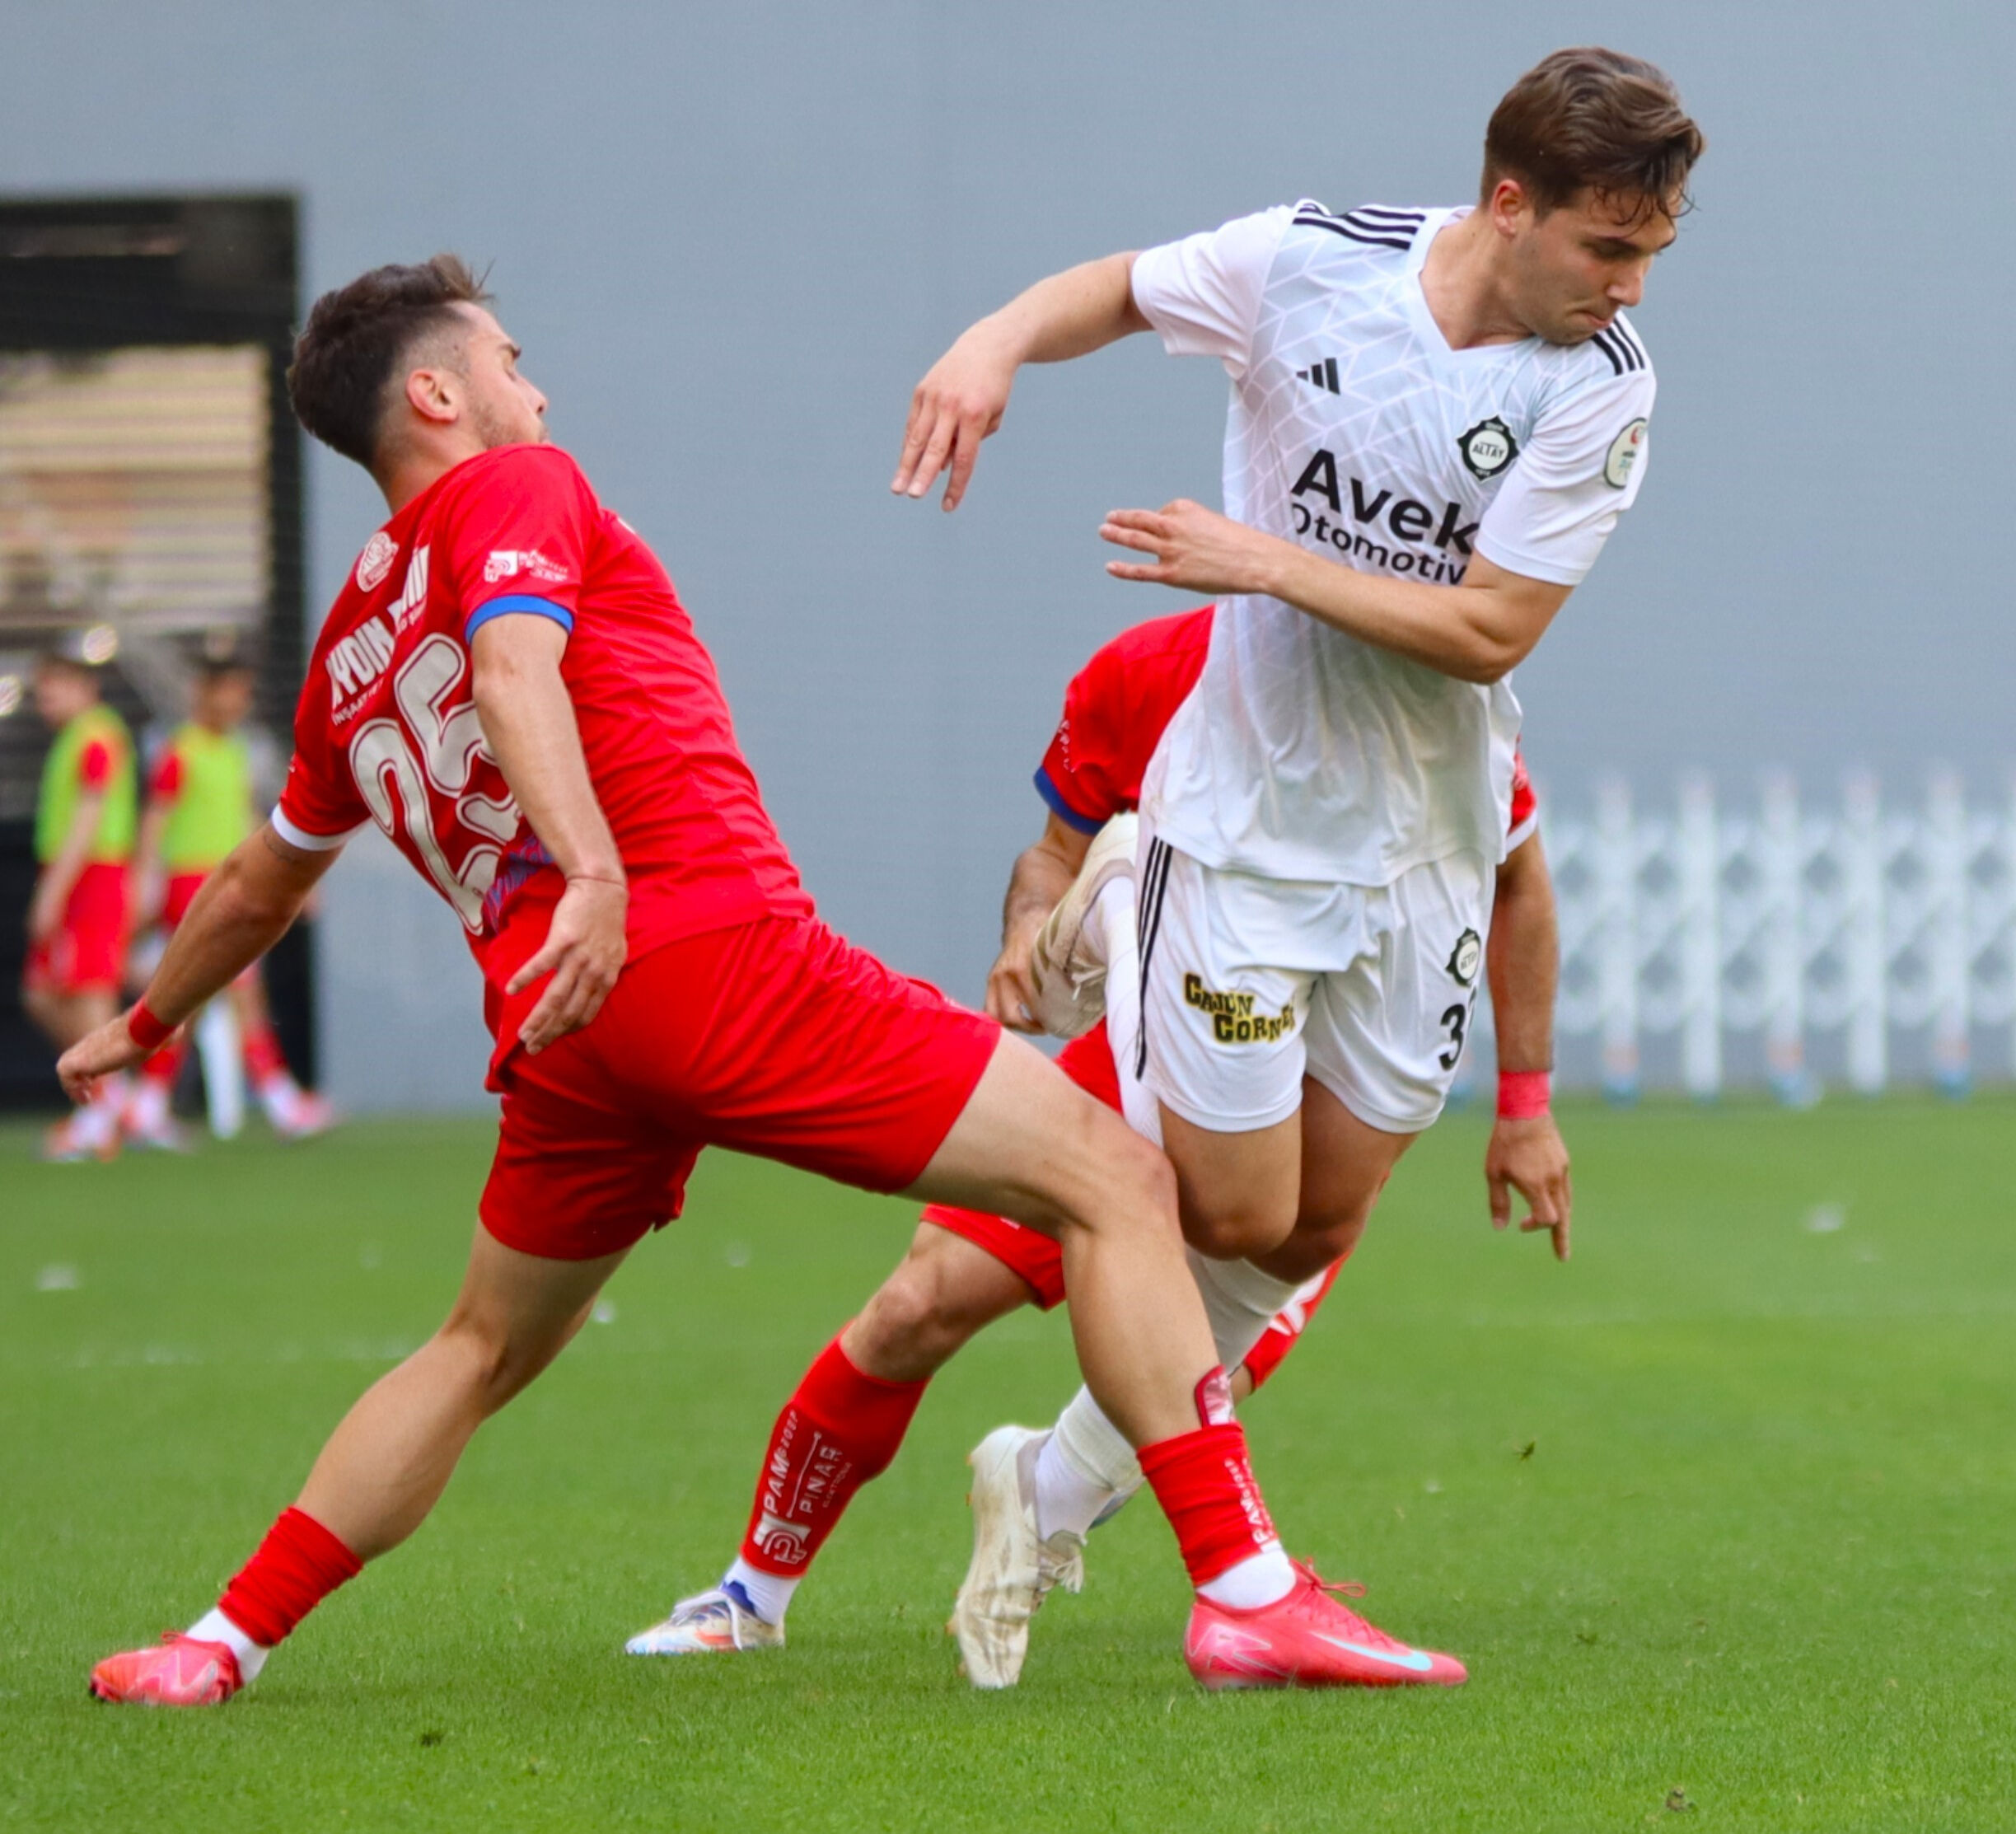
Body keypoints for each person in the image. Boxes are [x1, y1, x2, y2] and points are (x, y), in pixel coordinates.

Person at [73, 255, 1452, 1707]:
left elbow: (262, 876)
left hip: (558, 1029)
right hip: (700, 954)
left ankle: (218, 1642)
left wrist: (148, 1020)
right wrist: (598, 875)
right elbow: (511, 671)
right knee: (1115, 1181)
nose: (532, 389)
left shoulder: (348, 644)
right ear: (437, 393)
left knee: (475, 1347)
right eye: (510, 361)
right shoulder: (513, 489)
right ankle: (1243, 1592)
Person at [887, 44, 1691, 1638]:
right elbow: (1117, 287)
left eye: (1652, 255)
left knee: (1321, 1226)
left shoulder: (1600, 390)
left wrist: (1262, 561)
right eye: (1608, 249)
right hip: (1243, 831)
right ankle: (1132, 908)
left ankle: (1049, 1486)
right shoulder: (1312, 264)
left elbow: (1484, 633)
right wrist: (990, 343)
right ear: (1508, 204)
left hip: (1426, 852)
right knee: (1236, 1217)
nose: (1631, 289)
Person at [624, 604, 1569, 1687]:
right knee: (918, 1302)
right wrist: (1029, 929)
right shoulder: (1142, 672)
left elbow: (1515, 878)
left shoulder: (1407, 679)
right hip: (1142, 1062)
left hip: (1301, 1104)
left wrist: (1526, 1103)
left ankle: (1049, 1504)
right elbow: (1047, 853)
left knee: (1188, 1360)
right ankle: (750, 1593)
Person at [124, 654, 334, 1147]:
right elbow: (154, 825)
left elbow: (247, 821)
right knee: (242, 996)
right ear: (206, 691)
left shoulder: (236, 752)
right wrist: (141, 888)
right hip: (193, 887)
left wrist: (292, 879)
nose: (238, 701)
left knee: (187, 1001)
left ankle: (146, 1107)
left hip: (228, 883)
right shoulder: (181, 752)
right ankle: (283, 1103)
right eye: (230, 690)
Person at [23, 642, 137, 1163]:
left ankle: (104, 1111)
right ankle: (112, 1099)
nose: (46, 703)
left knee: (89, 989)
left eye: (55, 690)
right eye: (42, 695)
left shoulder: (94, 736)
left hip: (92, 877)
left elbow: (88, 818)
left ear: (84, 688)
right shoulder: (78, 738)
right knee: (44, 991)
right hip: (80, 875)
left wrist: (54, 890)